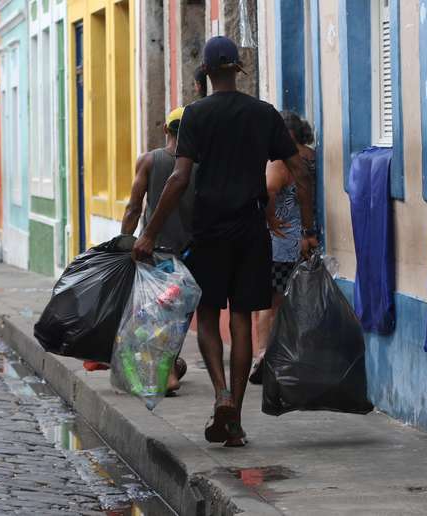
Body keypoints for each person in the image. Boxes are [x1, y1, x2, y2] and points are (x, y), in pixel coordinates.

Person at [132, 36, 317, 447]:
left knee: (211, 315)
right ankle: (235, 410)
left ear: (206, 74)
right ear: (237, 69)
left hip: (210, 230)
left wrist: (148, 232)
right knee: (241, 321)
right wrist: (307, 230)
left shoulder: (196, 115)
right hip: (251, 230)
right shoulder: (263, 114)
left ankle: (220, 395)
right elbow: (300, 171)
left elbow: (180, 179)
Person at [120, 106, 196, 393]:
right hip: (190, 254)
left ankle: (165, 374)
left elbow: (133, 206)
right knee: (178, 317)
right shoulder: (199, 163)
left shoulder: (149, 160)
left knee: (153, 316)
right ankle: (170, 366)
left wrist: (124, 241)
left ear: (166, 130)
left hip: (153, 253)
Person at [250, 111, 317, 385]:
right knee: (293, 301)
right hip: (303, 240)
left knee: (267, 302)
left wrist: (269, 219)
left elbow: (268, 190)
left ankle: (263, 356)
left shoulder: (280, 161)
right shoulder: (311, 157)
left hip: (280, 243)